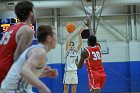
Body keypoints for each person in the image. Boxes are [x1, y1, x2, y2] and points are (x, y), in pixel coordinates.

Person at [1, 25, 58, 93]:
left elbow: (23, 76)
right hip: (14, 89)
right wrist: (43, 88)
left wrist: (44, 74)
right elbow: (24, 71)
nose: (57, 39)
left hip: (12, 88)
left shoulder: (36, 49)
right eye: (55, 36)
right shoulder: (40, 52)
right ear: (49, 38)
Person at [0, 0, 35, 84]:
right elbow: (18, 57)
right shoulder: (27, 30)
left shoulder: (10, 28)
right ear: (31, 13)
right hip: (7, 72)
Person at [63, 28, 83, 93]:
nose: (71, 46)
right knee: (66, 88)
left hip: (74, 72)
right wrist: (70, 34)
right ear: (68, 46)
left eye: (72, 45)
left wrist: (79, 34)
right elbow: (67, 43)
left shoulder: (75, 51)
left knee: (74, 88)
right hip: (68, 72)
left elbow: (80, 43)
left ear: (74, 46)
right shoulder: (67, 52)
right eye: (70, 45)